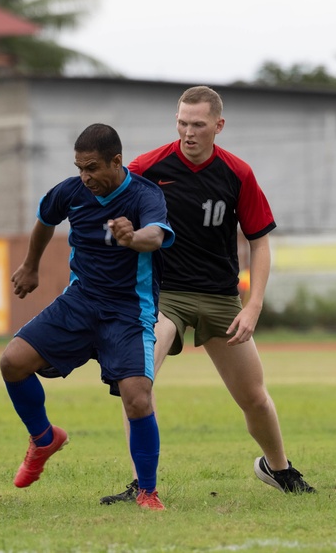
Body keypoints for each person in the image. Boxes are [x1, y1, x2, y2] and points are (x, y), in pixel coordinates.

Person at [100, 85, 314, 505]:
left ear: (218, 125)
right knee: (138, 381)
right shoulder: (148, 167)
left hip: (220, 296)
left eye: (198, 125)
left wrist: (253, 304)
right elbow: (113, 212)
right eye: (182, 123)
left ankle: (278, 468)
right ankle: (142, 485)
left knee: (254, 396)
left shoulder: (238, 173)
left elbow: (260, 241)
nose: (188, 132)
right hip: (164, 295)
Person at [0, 123, 175, 511]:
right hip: (80, 302)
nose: (85, 177)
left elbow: (157, 236)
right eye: (79, 167)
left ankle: (147, 491)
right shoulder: (71, 191)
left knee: (137, 398)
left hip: (129, 310)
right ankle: (44, 438)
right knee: (12, 362)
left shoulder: (145, 195)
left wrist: (132, 238)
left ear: (116, 161)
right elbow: (46, 219)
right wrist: (30, 266)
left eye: (92, 168)